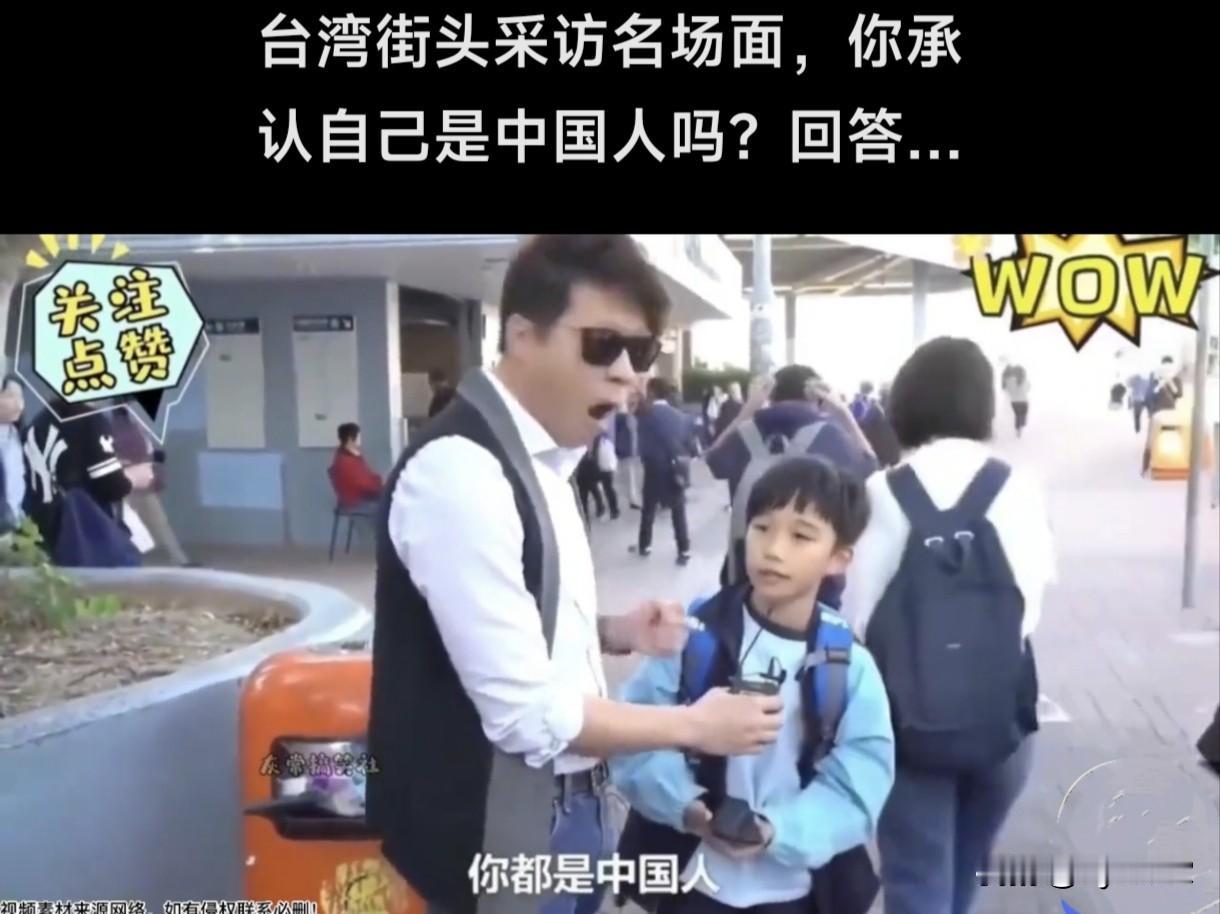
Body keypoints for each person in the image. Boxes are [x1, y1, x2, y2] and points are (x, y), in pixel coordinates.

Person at [367, 235, 785, 914]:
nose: (626, 375)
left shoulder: (544, 461)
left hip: (576, 809)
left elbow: (509, 629)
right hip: (505, 825)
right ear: (522, 337)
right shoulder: (461, 472)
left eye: (641, 353)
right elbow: (526, 715)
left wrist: (613, 631)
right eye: (602, 345)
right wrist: (693, 726)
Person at [612, 456, 894, 914]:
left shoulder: (848, 665)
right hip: (692, 881)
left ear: (838, 558)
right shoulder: (695, 634)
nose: (774, 550)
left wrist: (779, 831)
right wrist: (688, 808)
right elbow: (636, 735)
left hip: (796, 892)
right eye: (762, 528)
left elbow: (861, 776)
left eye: (801, 536)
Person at [840, 337, 1054, 914]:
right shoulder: (1019, 486)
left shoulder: (882, 492)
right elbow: (1032, 602)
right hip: (1002, 719)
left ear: (906, 401)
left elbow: (858, 612)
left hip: (907, 723)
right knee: (965, 877)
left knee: (917, 883)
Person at [705, 364, 878, 591]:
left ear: (770, 394)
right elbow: (870, 466)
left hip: (746, 570)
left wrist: (746, 411)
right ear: (815, 395)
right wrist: (844, 413)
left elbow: (713, 462)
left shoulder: (745, 432)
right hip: (810, 582)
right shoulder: (831, 435)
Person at [22, 396, 154, 563]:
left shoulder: (39, 422)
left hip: (45, 539)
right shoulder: (90, 419)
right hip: (83, 539)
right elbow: (111, 485)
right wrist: (135, 475)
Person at [111, 405, 194, 567]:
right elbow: (149, 454)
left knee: (128, 524)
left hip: (128, 483)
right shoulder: (136, 431)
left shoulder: (112, 431)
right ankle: (179, 559)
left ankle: (126, 561)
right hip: (140, 483)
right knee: (158, 522)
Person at [634, 377, 699, 565]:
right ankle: (684, 549)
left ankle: (645, 545)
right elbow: (689, 444)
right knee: (678, 511)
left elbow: (642, 445)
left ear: (652, 392)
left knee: (648, 509)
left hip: (653, 468)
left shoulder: (645, 415)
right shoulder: (680, 416)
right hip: (675, 468)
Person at [329, 422, 383, 509]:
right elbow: (364, 484)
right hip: (357, 501)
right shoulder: (346, 461)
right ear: (350, 439)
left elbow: (366, 476)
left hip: (359, 497)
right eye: (358, 437)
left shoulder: (347, 456)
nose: (360, 441)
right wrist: (381, 485)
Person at [0, 373, 27, 531]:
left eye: (20, 397)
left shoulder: (20, 438)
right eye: (11, 395)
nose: (18, 403)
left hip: (16, 523)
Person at [576, 427, 620, 521]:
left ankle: (588, 512)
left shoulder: (584, 433)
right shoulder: (602, 434)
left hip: (593, 465)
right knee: (606, 488)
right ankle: (612, 510)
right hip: (604, 465)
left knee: (586, 487)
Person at [615, 390, 643, 509]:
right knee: (631, 477)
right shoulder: (621, 417)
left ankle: (635, 499)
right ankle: (634, 500)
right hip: (628, 451)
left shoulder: (636, 416)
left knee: (634, 476)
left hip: (635, 451)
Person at [1002, 364, 1030, 437]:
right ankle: (1020, 427)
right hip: (1023, 401)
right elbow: (1028, 387)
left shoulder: (1008, 380)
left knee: (1017, 415)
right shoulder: (1024, 380)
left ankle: (1018, 429)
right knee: (1023, 416)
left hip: (1014, 402)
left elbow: (1007, 390)